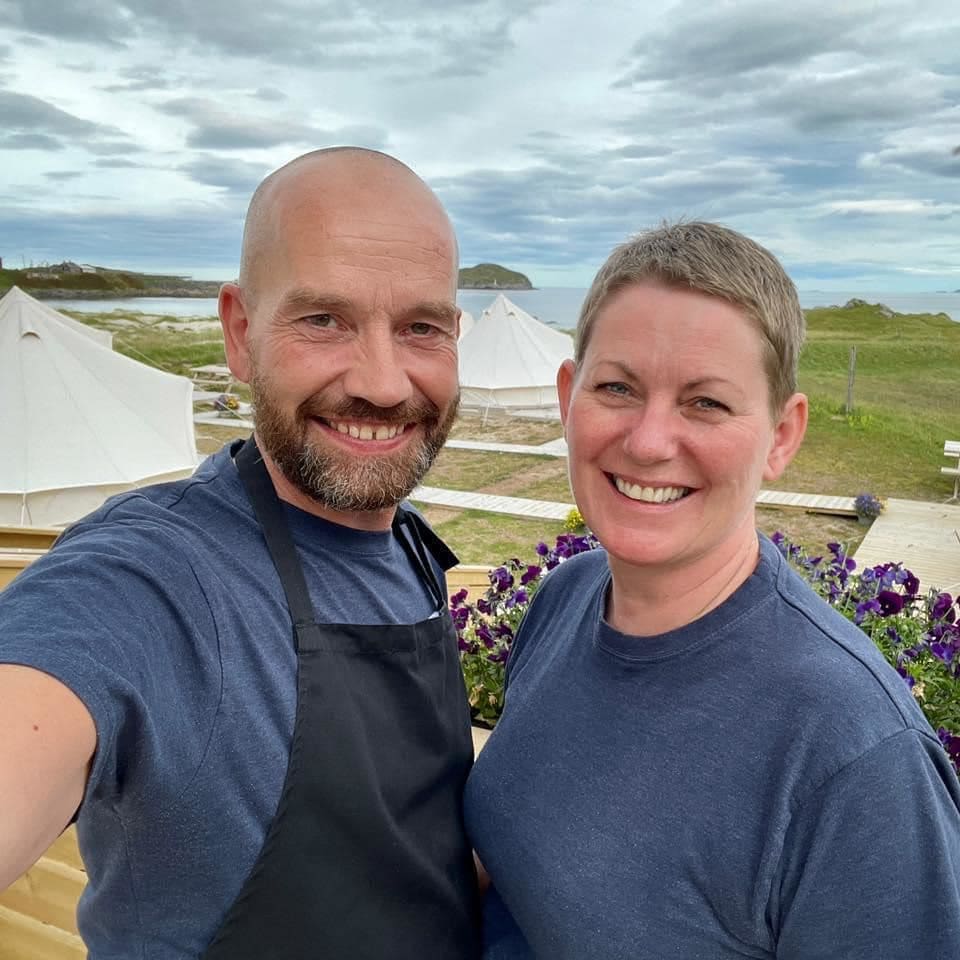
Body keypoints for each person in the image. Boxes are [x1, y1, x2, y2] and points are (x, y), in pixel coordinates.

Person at [0, 148, 480, 958]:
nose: (384, 383)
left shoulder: (411, 544)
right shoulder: (153, 576)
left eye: (420, 328)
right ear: (240, 331)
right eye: (323, 320)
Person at [464, 222, 960, 959]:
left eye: (706, 403)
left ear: (782, 436)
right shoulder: (565, 598)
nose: (648, 441)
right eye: (617, 388)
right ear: (569, 398)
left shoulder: (854, 756)